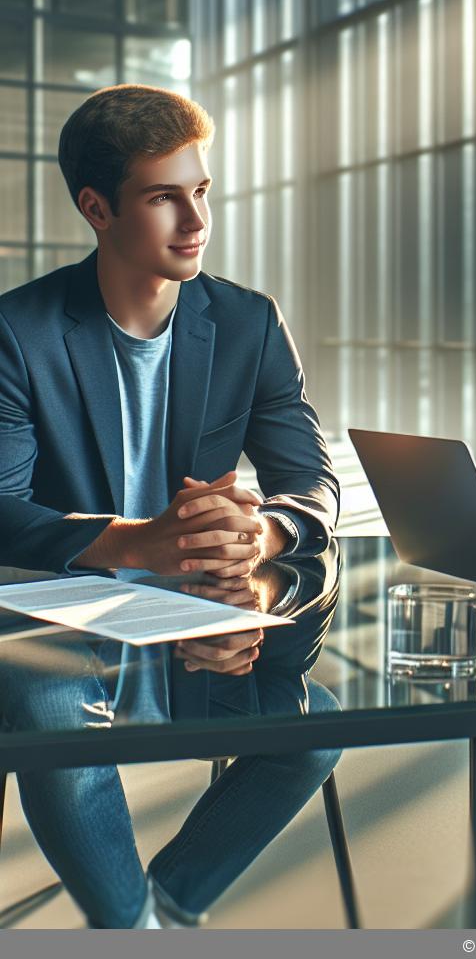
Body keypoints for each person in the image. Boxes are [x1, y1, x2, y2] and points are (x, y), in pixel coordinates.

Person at [0, 84, 342, 927]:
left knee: (319, 727)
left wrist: (255, 533)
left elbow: (315, 482)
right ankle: (130, 933)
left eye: (201, 191)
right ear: (97, 208)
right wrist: (137, 542)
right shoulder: (19, 330)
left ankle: (163, 910)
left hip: (198, 619)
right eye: (163, 197)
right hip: (58, 621)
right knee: (51, 707)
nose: (195, 221)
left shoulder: (247, 323)